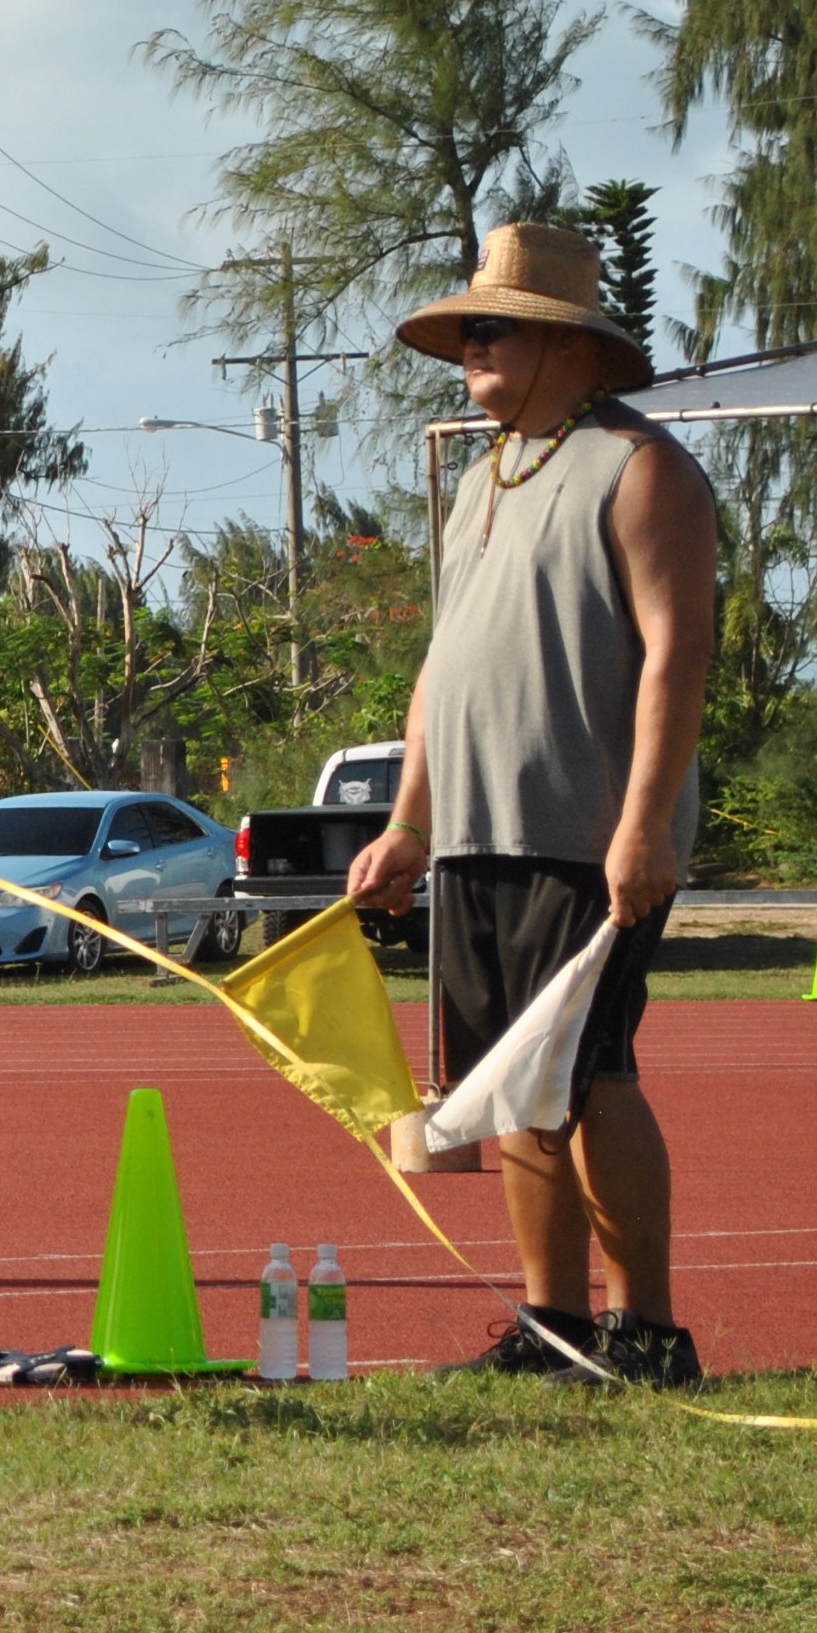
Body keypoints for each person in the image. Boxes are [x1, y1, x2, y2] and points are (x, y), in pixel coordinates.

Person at [350, 224, 716, 1387]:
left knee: (591, 1071)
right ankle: (552, 1327)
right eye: (464, 332)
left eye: (490, 328)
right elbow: (440, 668)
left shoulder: (639, 467)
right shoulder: (479, 480)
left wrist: (643, 823)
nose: (468, 349)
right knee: (506, 1085)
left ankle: (646, 1333)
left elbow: (674, 656)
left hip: (584, 836)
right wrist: (408, 821)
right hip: (471, 835)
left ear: (566, 342)